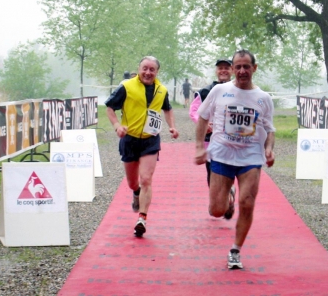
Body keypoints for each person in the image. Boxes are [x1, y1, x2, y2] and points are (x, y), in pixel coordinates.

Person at [194, 49, 275, 269]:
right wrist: (200, 147)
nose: (241, 71)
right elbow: (202, 117)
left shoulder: (263, 98)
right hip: (221, 154)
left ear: (254, 68)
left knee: (247, 203)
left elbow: (270, 129)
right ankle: (228, 195)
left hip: (250, 157)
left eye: (246, 66)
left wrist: (269, 149)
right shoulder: (220, 91)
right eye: (237, 66)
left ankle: (235, 250)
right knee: (217, 211)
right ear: (232, 69)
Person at [105, 56, 179, 238]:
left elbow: (167, 109)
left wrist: (172, 125)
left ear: (157, 72)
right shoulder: (127, 86)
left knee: (146, 179)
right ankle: (136, 193)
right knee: (133, 183)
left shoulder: (162, 90)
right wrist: (117, 126)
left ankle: (142, 219)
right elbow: (109, 107)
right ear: (139, 69)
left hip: (150, 140)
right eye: (145, 68)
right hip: (129, 139)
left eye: (152, 69)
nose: (148, 72)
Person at [189, 58, 236, 219]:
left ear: (232, 70)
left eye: (226, 68)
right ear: (216, 71)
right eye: (220, 68)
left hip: (233, 140)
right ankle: (224, 197)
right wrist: (204, 122)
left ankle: (229, 194)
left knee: (231, 169)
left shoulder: (240, 89)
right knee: (213, 174)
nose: (223, 71)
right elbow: (194, 111)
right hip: (211, 140)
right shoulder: (205, 91)